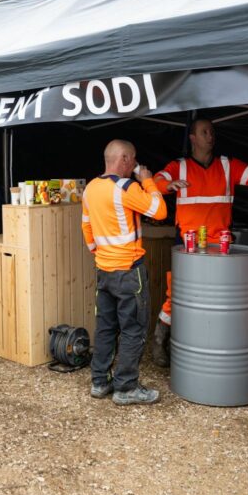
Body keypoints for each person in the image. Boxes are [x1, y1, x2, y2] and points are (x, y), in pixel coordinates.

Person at [151, 118, 248, 367]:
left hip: (220, 245)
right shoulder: (180, 166)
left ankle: (211, 345)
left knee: (221, 299)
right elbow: (155, 181)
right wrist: (168, 185)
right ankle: (159, 340)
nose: (211, 136)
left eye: (212, 131)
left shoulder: (228, 166)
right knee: (175, 293)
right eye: (204, 132)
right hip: (188, 244)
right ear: (193, 139)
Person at [81, 139, 167, 405]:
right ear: (126, 159)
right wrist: (148, 180)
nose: (135, 166)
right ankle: (126, 387)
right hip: (129, 272)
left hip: (104, 271)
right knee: (133, 329)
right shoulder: (126, 187)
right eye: (134, 160)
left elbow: (87, 229)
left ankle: (99, 382)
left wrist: (101, 253)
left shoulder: (90, 188)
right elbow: (160, 211)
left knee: (106, 328)